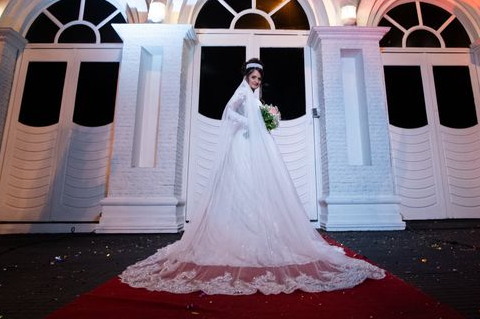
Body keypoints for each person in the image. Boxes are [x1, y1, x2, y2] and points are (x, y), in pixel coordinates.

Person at [120, 58, 385, 295]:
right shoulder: (241, 94)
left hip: (257, 145)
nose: (256, 81)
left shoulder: (256, 97)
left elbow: (261, 117)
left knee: (261, 188)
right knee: (242, 184)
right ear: (246, 77)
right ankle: (238, 233)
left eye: (259, 78)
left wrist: (269, 118)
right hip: (242, 145)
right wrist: (249, 123)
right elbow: (229, 112)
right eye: (253, 77)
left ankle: (263, 231)